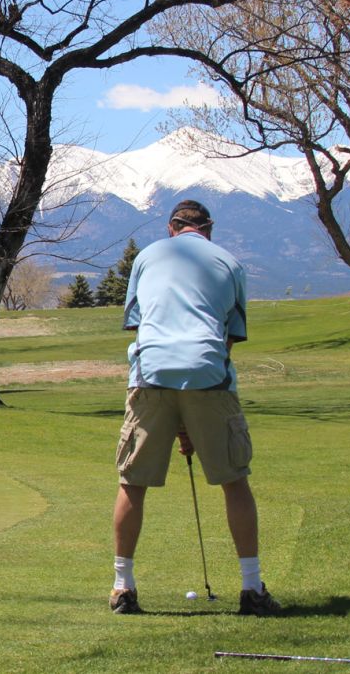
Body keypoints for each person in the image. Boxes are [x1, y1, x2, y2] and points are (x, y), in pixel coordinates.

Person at [109, 199, 280, 616]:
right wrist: (192, 418)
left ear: (172, 228)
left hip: (150, 373)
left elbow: (139, 322)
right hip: (208, 372)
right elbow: (230, 336)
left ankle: (122, 587)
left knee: (133, 482)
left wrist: (179, 421)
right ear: (209, 229)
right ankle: (251, 588)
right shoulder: (230, 263)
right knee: (234, 480)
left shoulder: (146, 257)